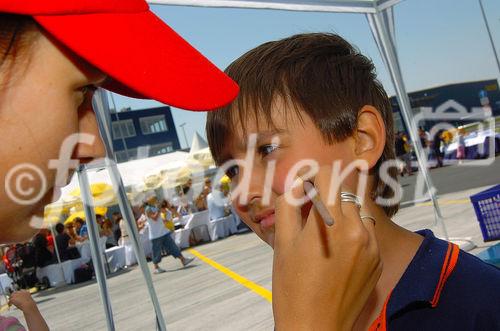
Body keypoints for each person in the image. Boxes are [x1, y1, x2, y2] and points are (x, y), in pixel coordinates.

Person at [206, 33, 500, 330]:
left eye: (267, 150)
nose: (242, 193)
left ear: (363, 140)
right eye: (231, 171)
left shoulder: (481, 305)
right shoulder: (297, 312)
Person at [143, 205, 194, 274]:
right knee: (156, 252)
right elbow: (154, 218)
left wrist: (165, 220)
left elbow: (159, 218)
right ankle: (156, 267)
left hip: (164, 232)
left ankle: (183, 260)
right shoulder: (148, 209)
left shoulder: (154, 206)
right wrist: (158, 210)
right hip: (156, 235)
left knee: (173, 246)